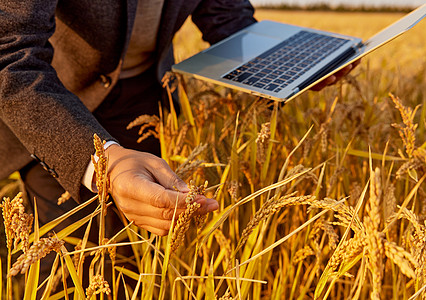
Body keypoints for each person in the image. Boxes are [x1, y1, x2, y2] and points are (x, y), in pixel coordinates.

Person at [0, 0, 358, 237]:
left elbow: (226, 18)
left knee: (144, 241)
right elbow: (11, 54)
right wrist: (102, 161)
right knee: (67, 253)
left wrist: (291, 66)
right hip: (55, 105)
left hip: (148, 97)